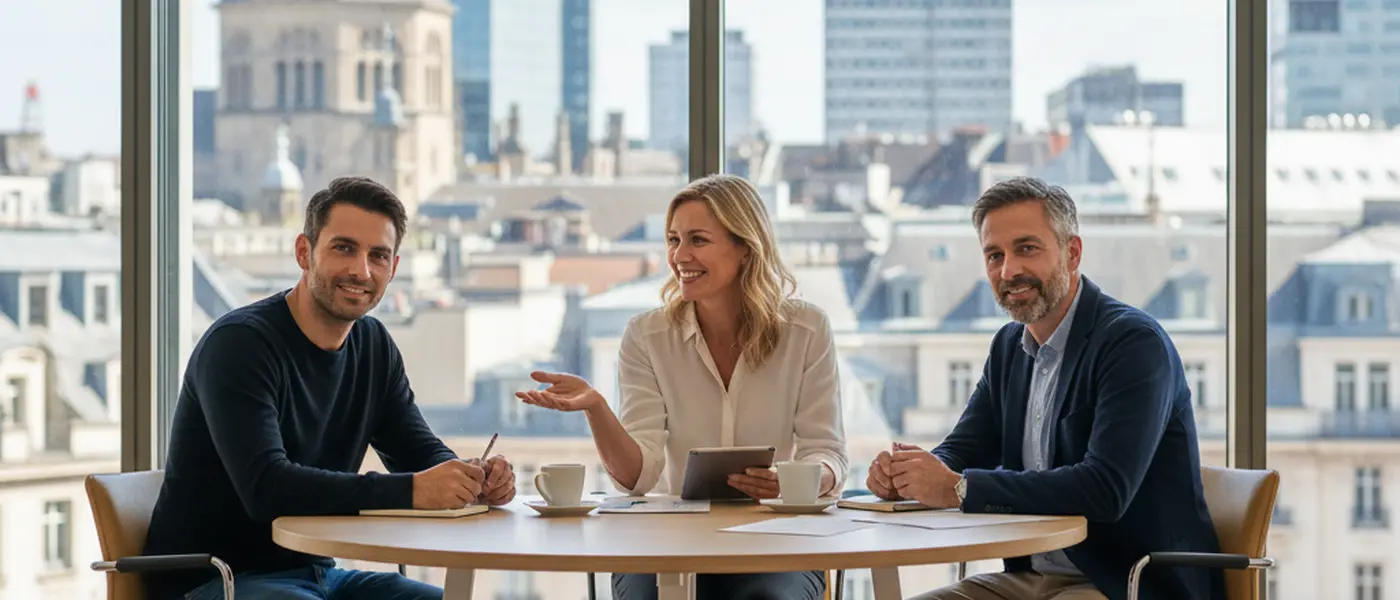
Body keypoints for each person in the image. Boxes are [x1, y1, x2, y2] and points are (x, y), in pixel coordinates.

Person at [143, 177, 517, 600]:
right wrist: (415, 489)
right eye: (344, 248)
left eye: (378, 255)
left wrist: (471, 479)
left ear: (393, 269)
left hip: (316, 575)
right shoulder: (239, 345)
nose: (361, 270)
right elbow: (267, 489)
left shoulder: (373, 347)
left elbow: (418, 452)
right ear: (304, 252)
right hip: (214, 580)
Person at [866, 177, 1224, 600]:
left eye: (1027, 249)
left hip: (1128, 583)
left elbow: (1105, 490)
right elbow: (963, 450)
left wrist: (957, 488)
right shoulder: (1008, 347)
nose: (1009, 270)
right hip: (1029, 578)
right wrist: (910, 475)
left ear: (1072, 253)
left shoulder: (1132, 344)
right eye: (994, 255)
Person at [516, 174, 847, 600]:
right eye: (673, 240)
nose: (679, 256)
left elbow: (827, 451)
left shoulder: (806, 329)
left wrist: (800, 481)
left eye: (698, 240)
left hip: (774, 535)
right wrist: (597, 408)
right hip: (667, 539)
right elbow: (638, 477)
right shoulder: (646, 336)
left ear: (745, 248)